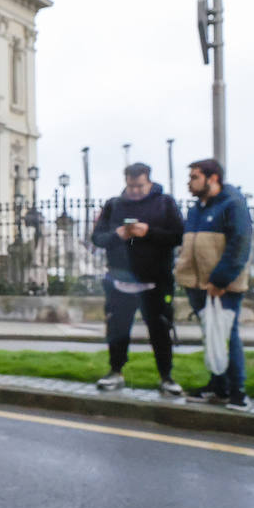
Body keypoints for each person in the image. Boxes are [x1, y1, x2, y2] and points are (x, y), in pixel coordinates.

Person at [91, 163, 185, 395]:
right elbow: (97, 238)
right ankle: (115, 372)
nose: (134, 191)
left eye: (139, 186)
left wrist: (149, 232)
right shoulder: (114, 205)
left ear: (149, 182)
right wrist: (118, 235)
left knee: (160, 331)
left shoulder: (165, 203)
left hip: (155, 281)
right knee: (117, 329)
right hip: (119, 280)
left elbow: (179, 235)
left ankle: (166, 377)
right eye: (130, 186)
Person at [175, 158, 253, 411]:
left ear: (213, 178)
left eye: (194, 177)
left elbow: (239, 244)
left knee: (226, 336)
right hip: (197, 284)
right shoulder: (197, 208)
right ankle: (218, 386)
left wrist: (220, 280)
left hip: (222, 285)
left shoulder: (233, 204)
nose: (189, 182)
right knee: (211, 336)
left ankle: (238, 392)